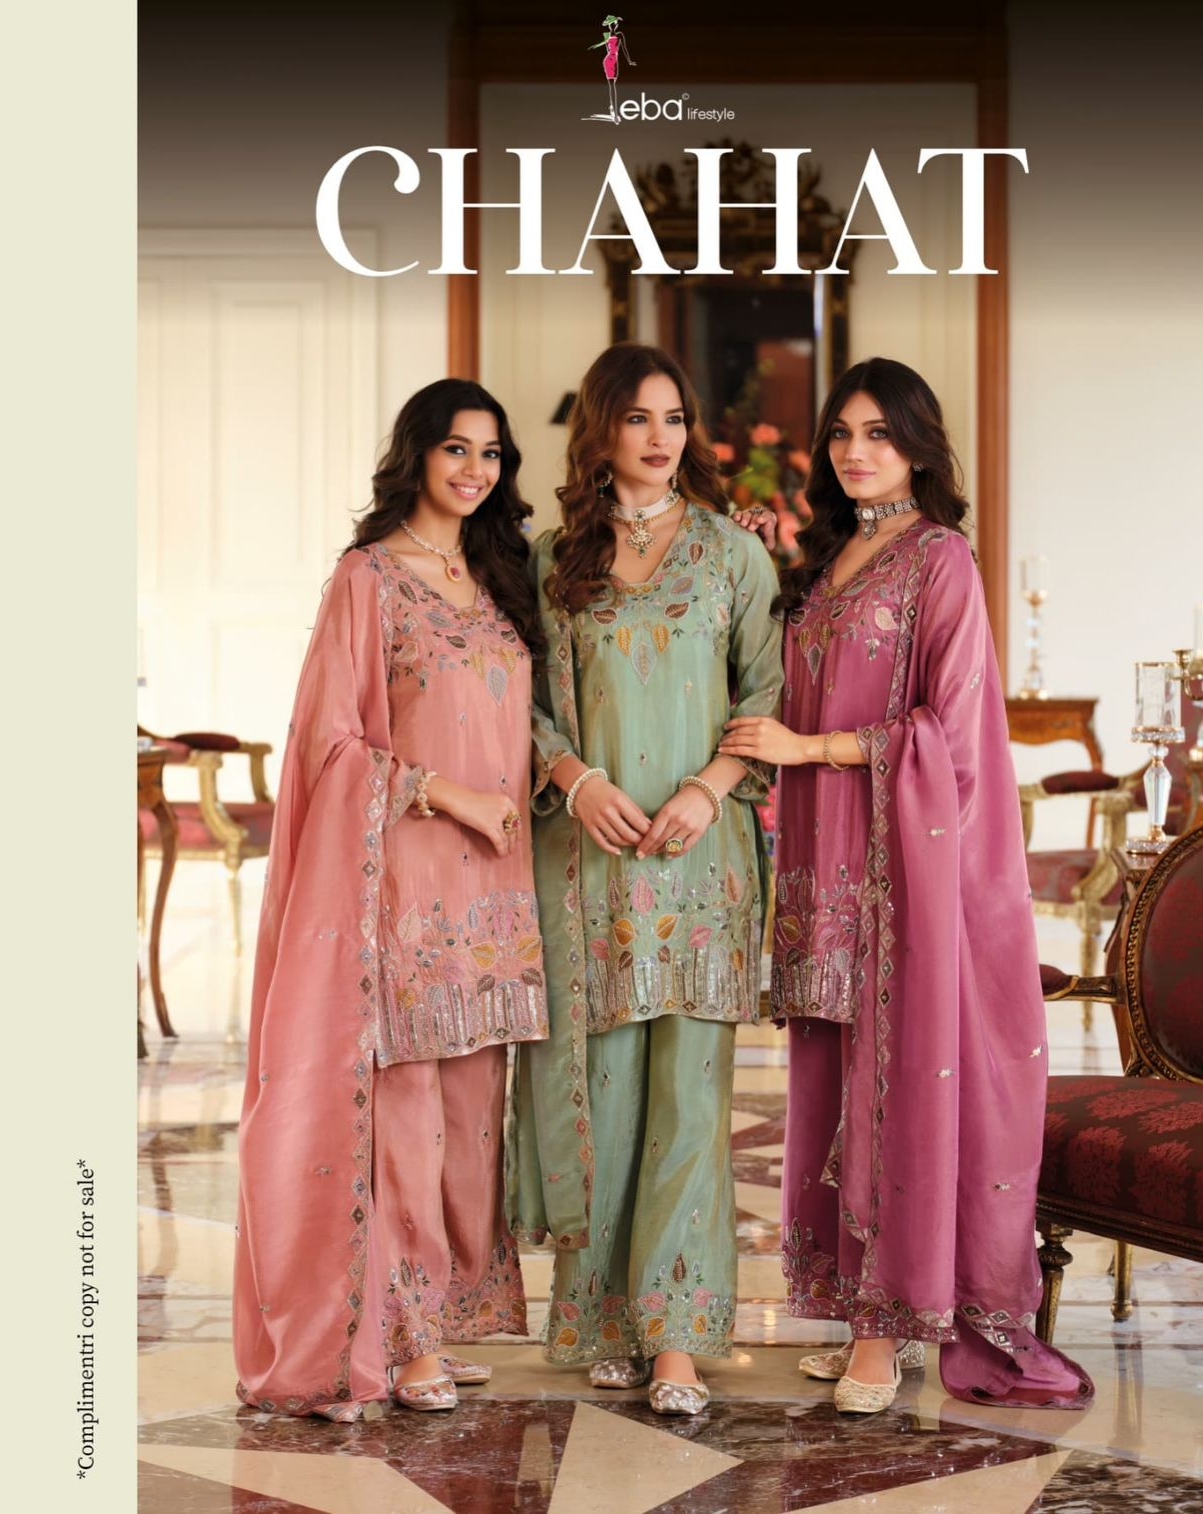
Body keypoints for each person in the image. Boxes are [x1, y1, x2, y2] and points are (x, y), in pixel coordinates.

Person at [720, 356, 1094, 1414]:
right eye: (842, 432)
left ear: (918, 447)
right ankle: (857, 1306)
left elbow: (952, 730)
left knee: (896, 1082)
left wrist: (811, 749)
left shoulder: (941, 559)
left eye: (878, 433)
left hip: (903, 871)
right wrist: (755, 569)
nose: (855, 451)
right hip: (821, 865)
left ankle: (890, 1330)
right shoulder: (828, 557)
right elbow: (788, 683)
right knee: (836, 1081)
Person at [234, 380, 549, 1420]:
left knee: (472, 1111)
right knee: (407, 1112)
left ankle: (444, 1313)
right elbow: (329, 744)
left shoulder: (498, 576)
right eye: (456, 449)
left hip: (497, 889)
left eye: (491, 453)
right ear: (416, 455)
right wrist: (445, 793)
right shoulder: (365, 579)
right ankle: (405, 1333)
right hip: (405, 877)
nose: (475, 470)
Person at [508, 343, 783, 1415]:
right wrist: (573, 779)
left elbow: (764, 700)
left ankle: (677, 1336)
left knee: (690, 1098)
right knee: (604, 1095)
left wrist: (710, 790)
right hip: (590, 862)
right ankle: (604, 1319)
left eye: (674, 417)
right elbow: (521, 704)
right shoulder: (550, 559)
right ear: (601, 430)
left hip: (699, 863)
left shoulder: (733, 555)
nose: (661, 437)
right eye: (637, 418)